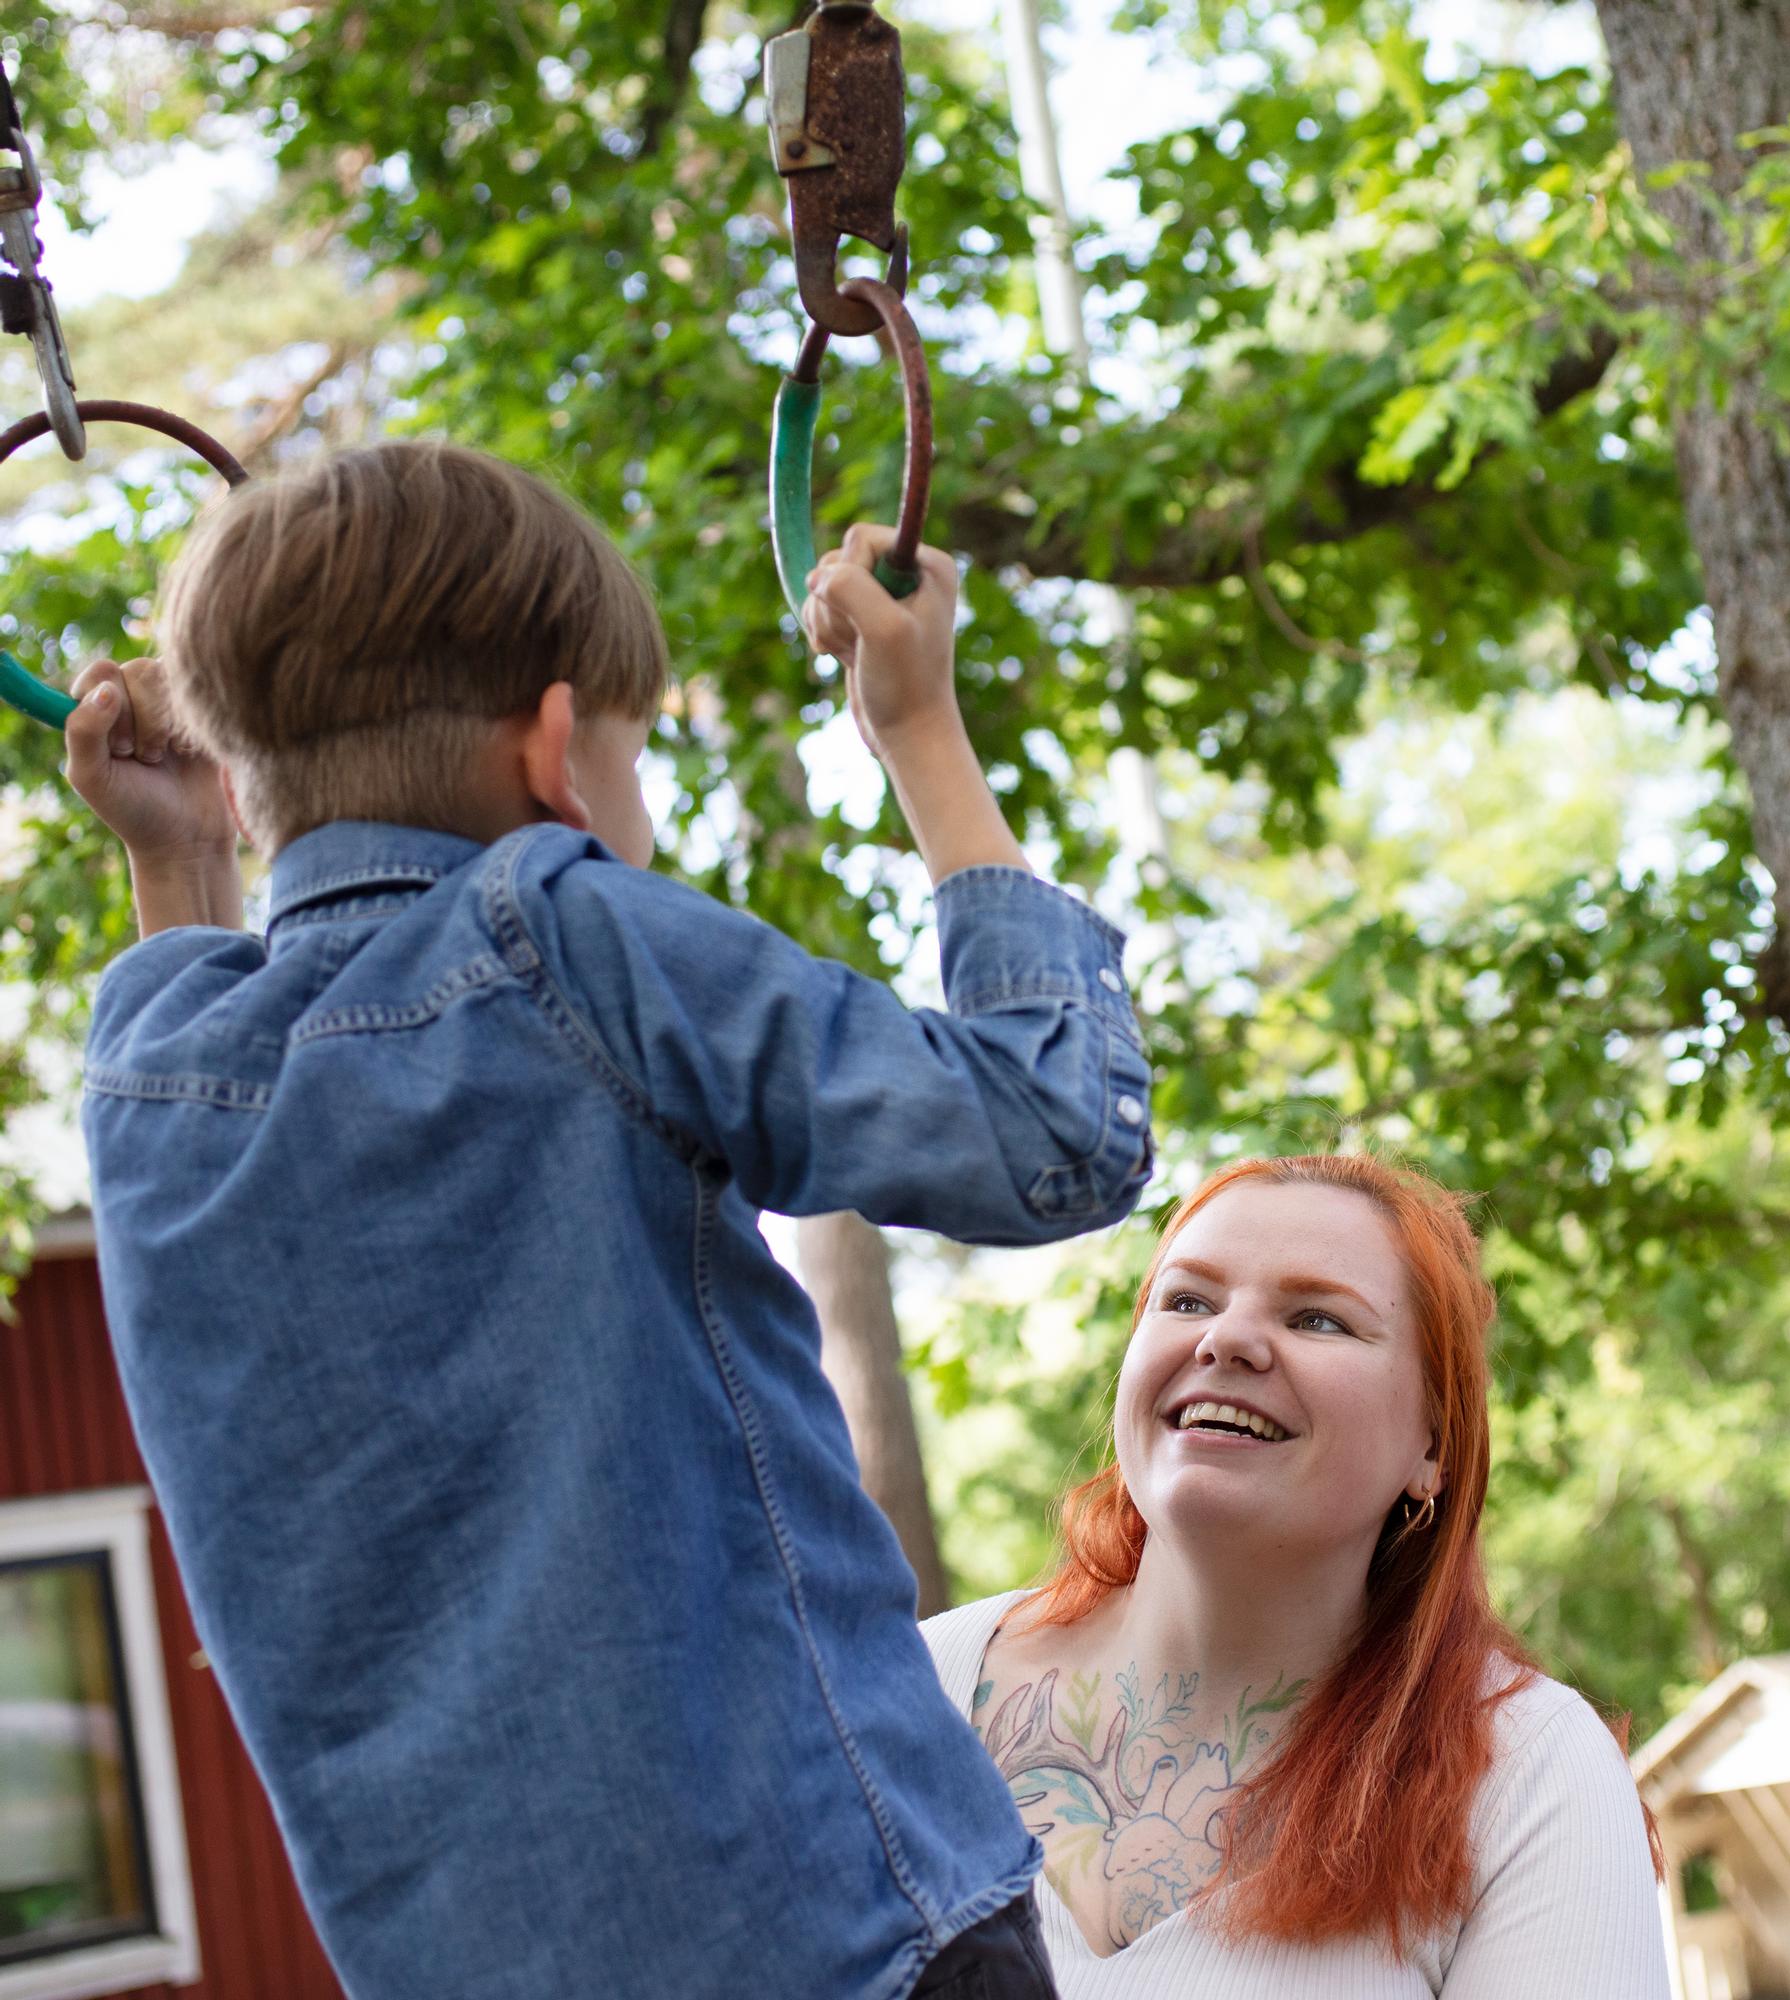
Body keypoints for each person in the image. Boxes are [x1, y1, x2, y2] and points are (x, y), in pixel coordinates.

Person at [64, 439, 1150, 2000]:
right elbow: (1056, 1137)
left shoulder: (150, 1061)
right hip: (839, 1943)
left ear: (244, 787)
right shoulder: (559, 930)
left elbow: (230, 1064)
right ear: (560, 757)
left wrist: (181, 856)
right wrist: (918, 728)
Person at [923, 1152, 1672, 1998]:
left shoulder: (1531, 1777)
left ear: (1433, 1446)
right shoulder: (908, 1691)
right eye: (1187, 1300)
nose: (1226, 1339)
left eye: (1318, 1319)